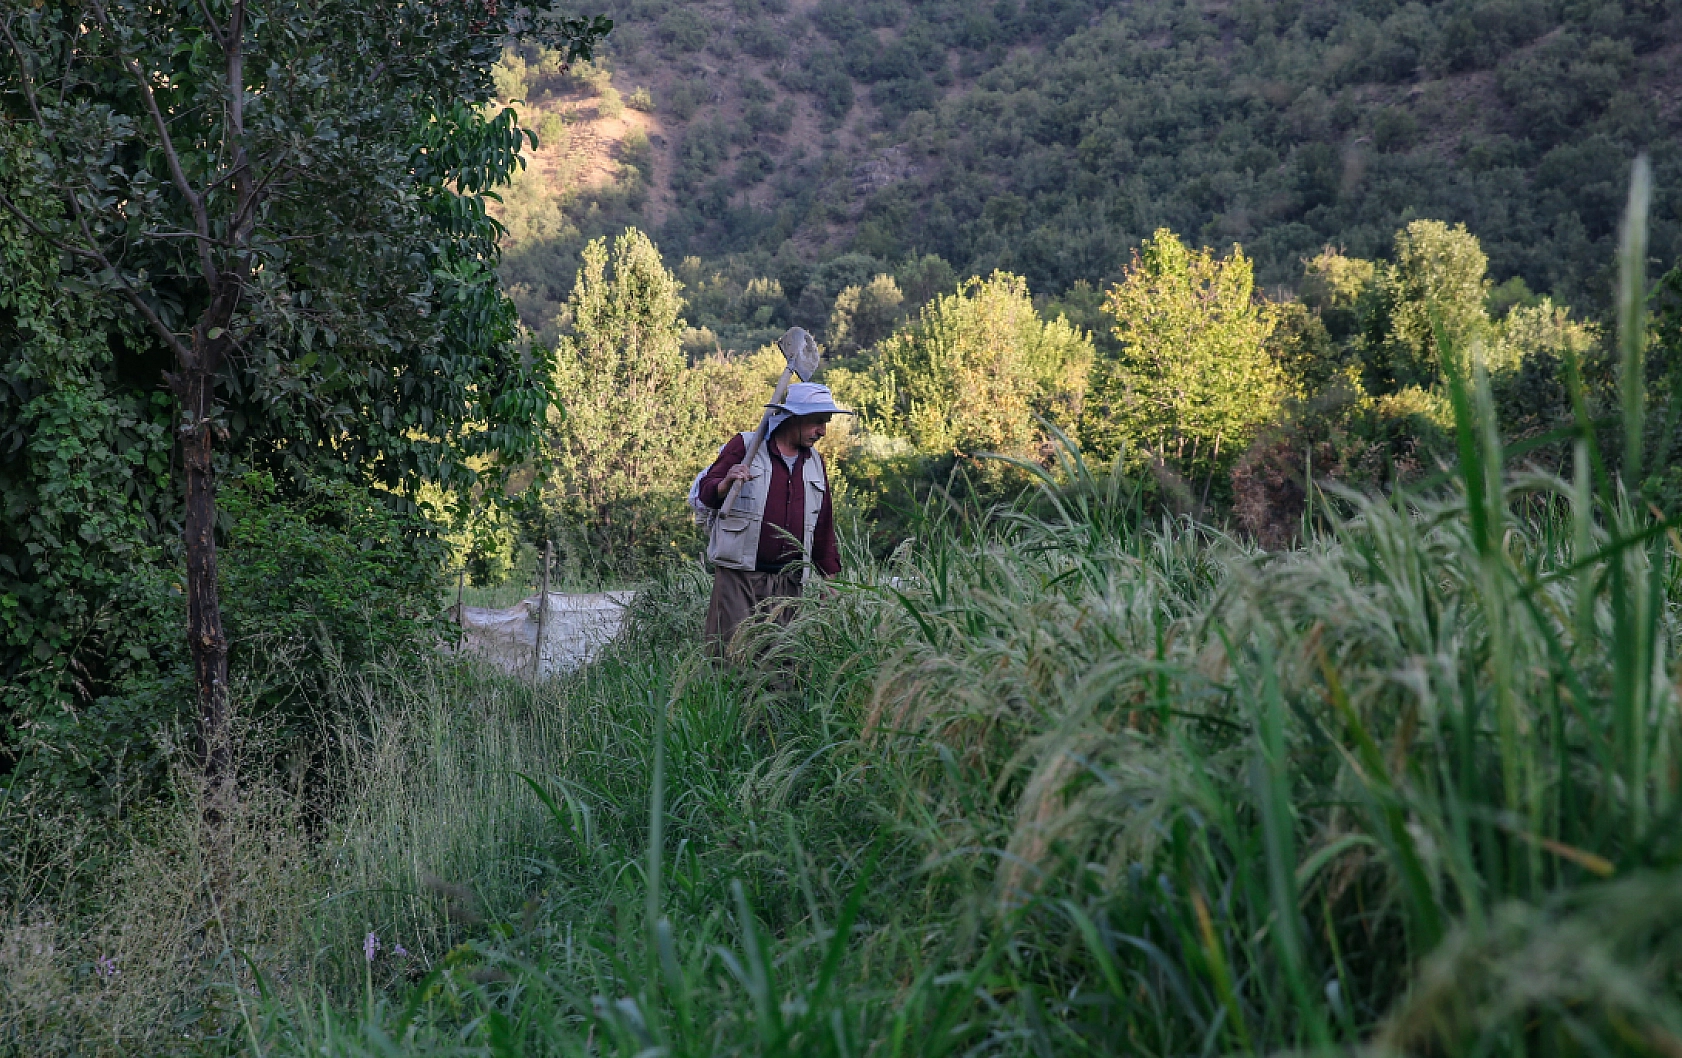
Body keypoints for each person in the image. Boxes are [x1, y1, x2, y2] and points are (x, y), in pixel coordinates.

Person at [697, 382, 854, 652]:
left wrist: (830, 579)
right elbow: (707, 492)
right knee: (732, 657)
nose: (822, 432)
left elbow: (822, 525)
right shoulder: (747, 446)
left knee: (781, 665)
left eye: (825, 423)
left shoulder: (815, 463)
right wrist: (726, 482)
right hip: (739, 577)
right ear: (795, 418)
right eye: (817, 422)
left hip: (789, 585)